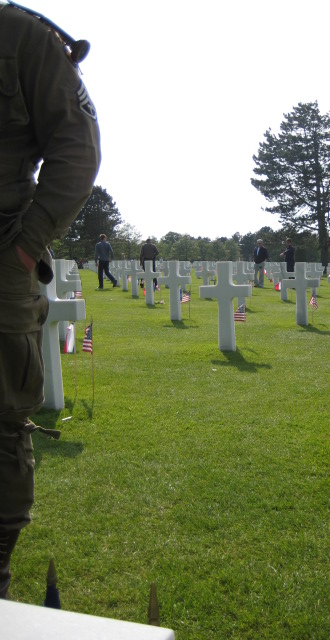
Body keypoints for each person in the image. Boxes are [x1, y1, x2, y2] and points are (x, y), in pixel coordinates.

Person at [0, 1, 100, 599]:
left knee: (3, 420)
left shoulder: (21, 37)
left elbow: (77, 147)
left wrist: (26, 244)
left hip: (3, 251)